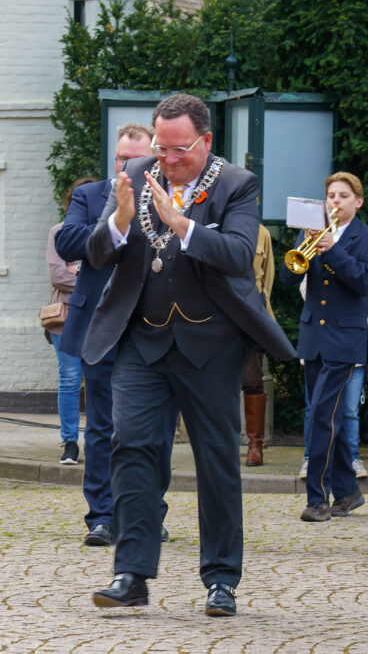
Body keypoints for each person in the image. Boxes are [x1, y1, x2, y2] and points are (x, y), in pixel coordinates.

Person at [83, 94, 295, 616]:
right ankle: (131, 573)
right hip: (143, 340)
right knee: (129, 446)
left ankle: (221, 579)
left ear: (206, 141)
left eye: (179, 149)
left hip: (211, 345)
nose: (168, 159)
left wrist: (180, 222)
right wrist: (120, 221)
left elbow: (237, 255)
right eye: (161, 147)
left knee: (216, 460)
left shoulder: (236, 184)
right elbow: (95, 252)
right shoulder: (136, 170)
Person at [55, 125, 178, 548]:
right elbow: (69, 241)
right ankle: (103, 516)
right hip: (101, 328)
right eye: (121, 158)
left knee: (155, 430)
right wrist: (115, 219)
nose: (127, 165)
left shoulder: (170, 199)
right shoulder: (90, 196)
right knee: (104, 426)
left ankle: (148, 512)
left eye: (136, 158)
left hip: (152, 327)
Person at [280, 172, 368, 521]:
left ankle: (318, 499)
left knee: (322, 415)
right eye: (331, 196)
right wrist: (303, 251)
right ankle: (349, 491)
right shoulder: (312, 231)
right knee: (328, 417)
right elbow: (288, 277)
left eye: (342, 196)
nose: (335, 202)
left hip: (345, 340)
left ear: (358, 201)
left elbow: (364, 283)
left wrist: (333, 250)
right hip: (314, 339)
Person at [46, 179, 92, 464]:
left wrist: (77, 271)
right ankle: (70, 443)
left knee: (104, 380)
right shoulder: (58, 232)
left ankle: (102, 440)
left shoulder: (106, 232)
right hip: (65, 317)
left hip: (100, 318)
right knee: (70, 379)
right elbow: (57, 276)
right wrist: (90, 277)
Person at [243, 224, 275, 466]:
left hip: (252, 312)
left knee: (252, 380)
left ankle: (255, 444)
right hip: (217, 313)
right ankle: (218, 444)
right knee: (215, 382)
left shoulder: (261, 232)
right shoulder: (214, 226)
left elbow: (268, 277)